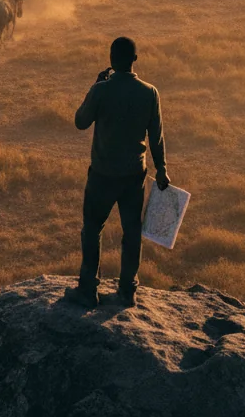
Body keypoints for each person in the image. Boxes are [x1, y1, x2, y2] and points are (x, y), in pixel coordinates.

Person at [65, 36, 170, 309]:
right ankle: (127, 291)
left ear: (111, 58)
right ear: (135, 60)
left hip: (102, 173)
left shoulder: (102, 90)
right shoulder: (150, 92)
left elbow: (80, 122)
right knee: (132, 231)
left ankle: (88, 290)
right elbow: (156, 136)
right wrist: (162, 170)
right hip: (134, 175)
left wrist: (95, 87)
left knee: (92, 229)